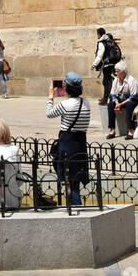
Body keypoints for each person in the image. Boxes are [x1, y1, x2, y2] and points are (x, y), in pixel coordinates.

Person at [47, 71, 90, 206]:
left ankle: (76, 208)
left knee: (69, 181)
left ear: (67, 87)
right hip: (80, 144)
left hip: (67, 147)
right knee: (75, 180)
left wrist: (50, 97)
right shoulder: (86, 102)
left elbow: (49, 113)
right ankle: (74, 206)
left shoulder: (66, 104)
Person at [106, 62, 138, 138]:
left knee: (130, 105)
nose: (116, 73)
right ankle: (112, 130)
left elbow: (133, 96)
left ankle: (131, 130)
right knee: (110, 105)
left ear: (123, 72)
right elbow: (112, 94)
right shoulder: (116, 80)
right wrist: (117, 103)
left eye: (117, 71)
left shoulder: (131, 79)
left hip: (134, 100)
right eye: (115, 71)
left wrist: (121, 104)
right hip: (122, 100)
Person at [92, 26, 120, 105]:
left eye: (97, 34)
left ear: (99, 34)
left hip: (106, 64)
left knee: (107, 82)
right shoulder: (108, 40)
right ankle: (106, 97)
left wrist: (94, 64)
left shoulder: (102, 42)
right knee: (107, 81)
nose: (97, 36)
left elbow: (100, 55)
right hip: (111, 63)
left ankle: (107, 99)